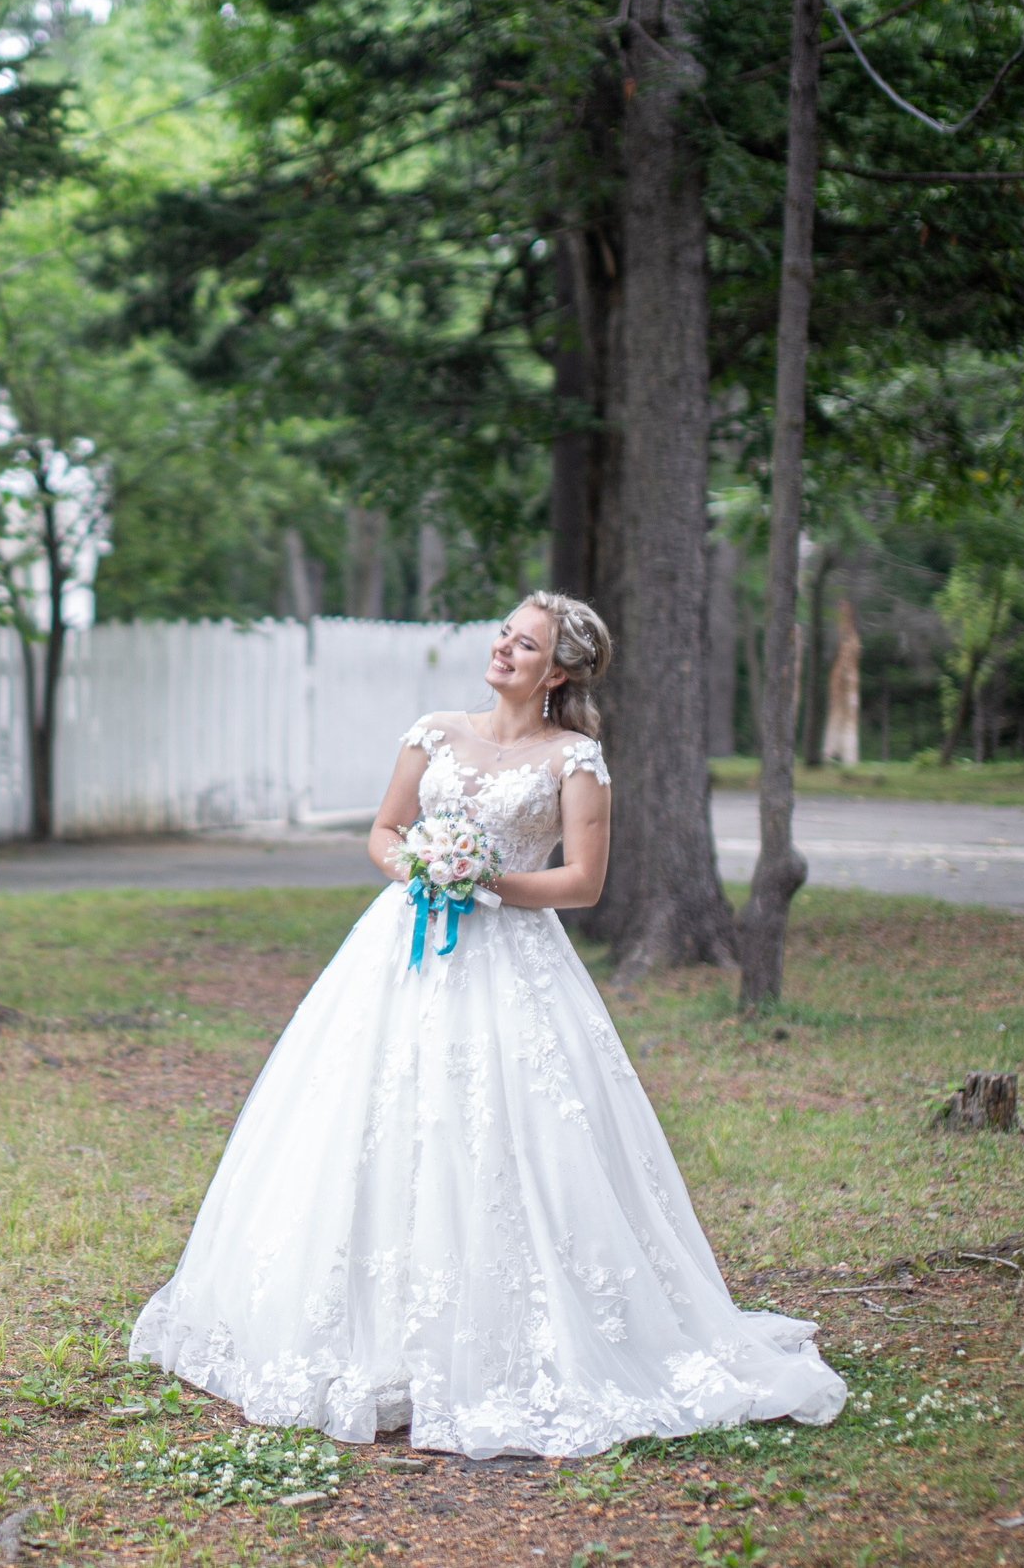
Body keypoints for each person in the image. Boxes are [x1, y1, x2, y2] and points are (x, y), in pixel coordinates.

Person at [128, 592, 845, 1457]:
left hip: (513, 961)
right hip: (400, 950)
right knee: (373, 1116)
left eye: (526, 642)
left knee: (507, 1132)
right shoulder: (433, 730)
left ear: (562, 669)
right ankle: (364, 1332)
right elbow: (385, 830)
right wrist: (420, 866)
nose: (503, 649)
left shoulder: (575, 758)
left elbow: (582, 882)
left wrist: (484, 881)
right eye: (504, 633)